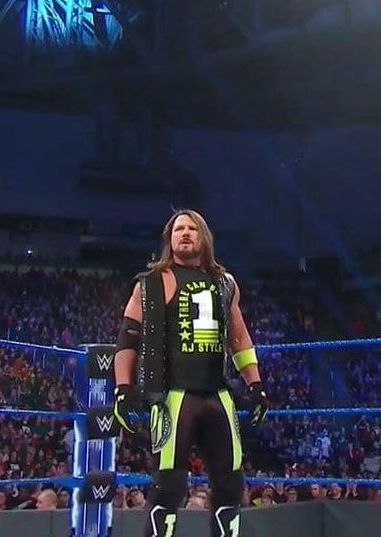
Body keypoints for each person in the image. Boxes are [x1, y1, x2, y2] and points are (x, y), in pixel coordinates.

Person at [112, 209, 270, 537]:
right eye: (178, 229)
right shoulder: (151, 283)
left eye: (192, 228)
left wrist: (255, 385)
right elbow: (128, 337)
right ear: (169, 239)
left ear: (204, 238)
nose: (185, 233)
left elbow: (239, 337)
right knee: (169, 484)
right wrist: (123, 389)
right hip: (173, 395)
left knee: (231, 482)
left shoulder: (225, 283)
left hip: (217, 393)